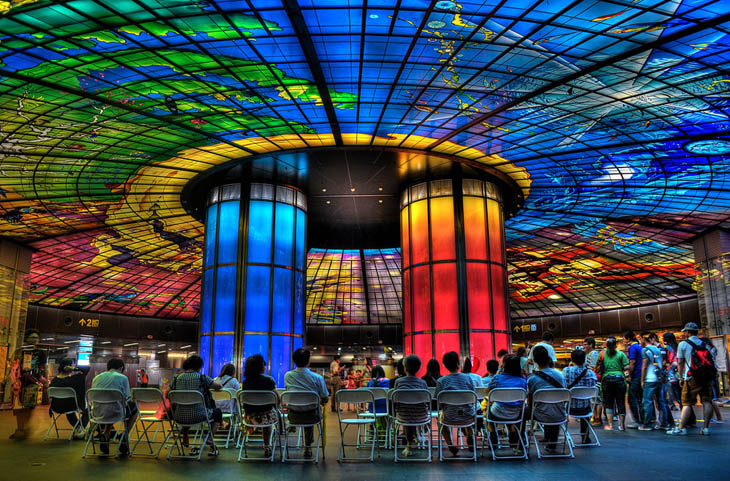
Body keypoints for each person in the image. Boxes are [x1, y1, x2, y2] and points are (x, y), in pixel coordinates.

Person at [668, 323, 715, 436]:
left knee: (687, 403)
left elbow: (680, 362)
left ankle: (681, 428)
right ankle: (706, 428)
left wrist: (681, 377)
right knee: (707, 401)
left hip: (691, 377)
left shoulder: (683, 344)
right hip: (706, 377)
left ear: (688, 332)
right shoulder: (705, 344)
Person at [170, 355, 223, 456]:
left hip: (179, 416)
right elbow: (218, 386)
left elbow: (169, 392)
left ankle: (185, 434)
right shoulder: (202, 378)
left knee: (187, 407)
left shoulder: (177, 378)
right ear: (199, 366)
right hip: (199, 415)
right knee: (218, 413)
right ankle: (210, 439)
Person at [284, 348, 329, 458]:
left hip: (293, 416)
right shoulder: (317, 377)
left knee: (302, 408)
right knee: (310, 410)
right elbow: (325, 398)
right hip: (312, 416)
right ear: (308, 361)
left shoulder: (288, 376)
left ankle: (291, 426)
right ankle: (308, 446)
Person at [91, 358, 139, 455]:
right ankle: (124, 437)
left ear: (108, 367)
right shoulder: (122, 378)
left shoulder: (97, 377)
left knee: (110, 405)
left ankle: (106, 434)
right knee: (134, 409)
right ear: (121, 368)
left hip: (97, 413)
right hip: (115, 411)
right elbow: (127, 398)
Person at [482, 355, 527, 454]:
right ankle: (512, 434)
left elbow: (487, 391)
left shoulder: (497, 378)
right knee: (510, 406)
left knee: (488, 407)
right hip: (516, 415)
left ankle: (493, 433)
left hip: (497, 413)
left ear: (505, 366)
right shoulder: (523, 381)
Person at [435, 351, 476, 457]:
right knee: (466, 408)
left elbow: (438, 401)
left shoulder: (441, 381)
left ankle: (451, 445)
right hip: (468, 417)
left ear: (445, 365)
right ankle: (469, 435)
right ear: (458, 363)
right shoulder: (468, 378)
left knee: (440, 420)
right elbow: (473, 397)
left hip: (449, 417)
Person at [9, 329, 47, 440]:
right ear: (27, 338)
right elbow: (12, 365)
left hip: (33, 382)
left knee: (30, 406)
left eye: (36, 337)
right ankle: (20, 429)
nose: (35, 339)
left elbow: (44, 367)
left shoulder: (41, 353)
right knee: (19, 406)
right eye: (32, 337)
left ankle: (25, 428)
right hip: (19, 383)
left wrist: (44, 381)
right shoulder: (19, 351)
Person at [527, 346, 566, 453]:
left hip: (540, 414)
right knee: (553, 408)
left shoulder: (532, 379)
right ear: (549, 358)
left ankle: (521, 444)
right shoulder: (560, 376)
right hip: (560, 413)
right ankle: (552, 443)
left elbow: (530, 401)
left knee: (523, 413)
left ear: (534, 360)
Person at [393, 354, 429, 457]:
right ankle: (415, 438)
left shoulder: (398, 382)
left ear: (404, 368)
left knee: (407, 413)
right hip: (421, 416)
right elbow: (426, 401)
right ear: (419, 368)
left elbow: (396, 400)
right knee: (413, 413)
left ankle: (409, 445)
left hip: (403, 416)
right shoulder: (423, 383)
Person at [241, 354, 276, 458]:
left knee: (265, 414)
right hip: (267, 418)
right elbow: (276, 398)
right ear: (260, 367)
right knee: (269, 415)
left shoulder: (245, 382)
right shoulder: (268, 380)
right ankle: (267, 446)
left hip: (249, 419)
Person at [563, 348, 598, 443]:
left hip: (569, 408)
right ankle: (585, 436)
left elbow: (563, 385)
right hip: (586, 408)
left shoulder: (566, 371)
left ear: (572, 359)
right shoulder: (591, 373)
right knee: (585, 404)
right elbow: (593, 386)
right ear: (585, 359)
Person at [49, 358, 89, 439]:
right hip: (71, 406)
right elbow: (87, 369)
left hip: (56, 407)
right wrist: (75, 369)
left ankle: (78, 429)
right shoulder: (74, 379)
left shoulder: (54, 381)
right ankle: (79, 429)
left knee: (69, 411)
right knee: (88, 411)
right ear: (70, 367)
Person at [595, 336, 628, 431]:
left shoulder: (602, 354)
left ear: (606, 346)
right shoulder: (621, 354)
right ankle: (621, 425)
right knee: (620, 402)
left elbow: (597, 368)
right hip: (619, 379)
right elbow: (626, 368)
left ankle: (610, 425)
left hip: (606, 379)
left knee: (608, 402)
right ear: (616, 345)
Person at [638, 331, 666, 431]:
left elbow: (644, 367)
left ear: (644, 339)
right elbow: (661, 364)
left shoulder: (645, 350)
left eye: (640, 339)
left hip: (649, 380)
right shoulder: (657, 349)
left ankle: (647, 424)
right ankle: (663, 423)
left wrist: (642, 380)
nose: (639, 341)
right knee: (661, 401)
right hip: (658, 378)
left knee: (647, 402)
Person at [651, 332, 674, 430]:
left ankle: (664, 423)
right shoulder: (660, 349)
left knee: (661, 400)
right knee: (661, 400)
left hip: (660, 377)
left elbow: (663, 362)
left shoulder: (660, 349)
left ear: (653, 339)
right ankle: (669, 421)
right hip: (660, 376)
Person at [700, 336, 724, 424]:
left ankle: (713, 416)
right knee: (710, 397)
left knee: (710, 398)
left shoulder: (708, 350)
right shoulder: (712, 349)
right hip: (712, 372)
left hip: (709, 373)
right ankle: (716, 416)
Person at [624, 330, 643, 428]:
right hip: (641, 375)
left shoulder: (632, 348)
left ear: (628, 339)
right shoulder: (639, 346)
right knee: (640, 398)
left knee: (632, 398)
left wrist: (628, 375)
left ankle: (637, 420)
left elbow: (632, 363)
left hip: (636, 375)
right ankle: (642, 419)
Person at [583, 337, 603, 426]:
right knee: (593, 399)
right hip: (593, 378)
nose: (584, 346)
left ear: (591, 345)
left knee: (596, 399)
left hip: (595, 379)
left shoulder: (593, 353)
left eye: (585, 344)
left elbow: (594, 367)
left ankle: (598, 419)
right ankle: (595, 418)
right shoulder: (590, 354)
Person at [663, 332, 681, 412]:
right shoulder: (677, 347)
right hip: (678, 372)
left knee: (670, 390)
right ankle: (680, 404)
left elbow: (669, 361)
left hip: (669, 371)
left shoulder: (667, 348)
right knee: (677, 391)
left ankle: (673, 405)